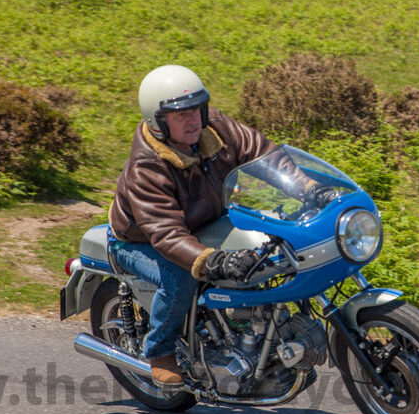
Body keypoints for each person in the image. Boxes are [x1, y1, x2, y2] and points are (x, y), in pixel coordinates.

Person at [108, 65, 332, 389]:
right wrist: (212, 261)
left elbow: (264, 154)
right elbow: (166, 234)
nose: (193, 120)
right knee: (181, 275)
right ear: (158, 122)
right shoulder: (147, 168)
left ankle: (256, 336)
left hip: (203, 223)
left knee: (269, 248)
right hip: (139, 241)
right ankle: (159, 351)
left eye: (197, 109)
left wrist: (309, 188)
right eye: (180, 114)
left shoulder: (215, 129)